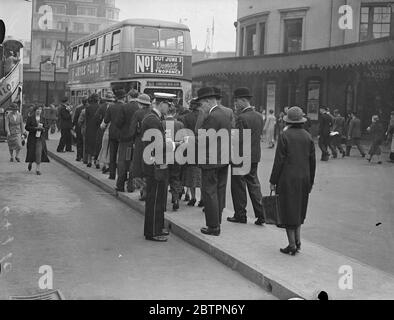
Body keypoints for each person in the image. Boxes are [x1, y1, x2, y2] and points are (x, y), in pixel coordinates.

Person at [269, 106, 316, 255]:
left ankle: (291, 245)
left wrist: (273, 180)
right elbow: (312, 162)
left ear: (287, 121)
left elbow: (279, 161)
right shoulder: (308, 137)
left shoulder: (285, 136)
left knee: (288, 210)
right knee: (299, 210)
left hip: (287, 179)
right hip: (304, 178)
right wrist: (310, 182)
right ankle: (298, 241)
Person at [195, 87, 233, 236]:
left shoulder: (212, 117)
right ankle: (217, 221)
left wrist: (188, 140)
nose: (201, 108)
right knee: (219, 191)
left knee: (209, 192)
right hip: (223, 159)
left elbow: (205, 139)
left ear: (209, 101)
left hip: (211, 161)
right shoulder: (224, 114)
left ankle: (213, 226)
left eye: (202, 104)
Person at [227, 88, 265, 226]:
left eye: (236, 101)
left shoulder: (242, 118)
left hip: (241, 156)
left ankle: (240, 215)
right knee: (254, 184)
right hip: (254, 156)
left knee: (238, 187)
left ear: (243, 100)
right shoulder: (259, 116)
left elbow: (238, 139)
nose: (235, 104)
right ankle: (262, 214)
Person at [141, 95, 174, 242]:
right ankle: (153, 232)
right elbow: (158, 145)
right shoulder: (153, 120)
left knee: (159, 198)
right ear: (161, 104)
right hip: (155, 165)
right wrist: (175, 145)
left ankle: (158, 227)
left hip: (156, 164)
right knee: (155, 199)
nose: (169, 108)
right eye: (168, 104)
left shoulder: (154, 118)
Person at [114, 89, 139, 192]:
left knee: (123, 162)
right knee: (133, 162)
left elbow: (118, 122)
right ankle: (131, 186)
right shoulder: (139, 108)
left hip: (125, 140)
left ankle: (120, 185)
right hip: (136, 140)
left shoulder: (124, 107)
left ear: (129, 96)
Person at [179, 98, 203, 207]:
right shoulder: (205, 116)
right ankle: (202, 199)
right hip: (203, 149)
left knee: (191, 174)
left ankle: (193, 197)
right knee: (202, 174)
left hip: (190, 149)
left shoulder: (186, 118)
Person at [129, 93, 152, 200]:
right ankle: (147, 189)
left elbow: (132, 130)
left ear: (140, 103)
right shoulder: (152, 113)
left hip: (139, 142)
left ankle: (142, 190)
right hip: (151, 143)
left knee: (138, 167)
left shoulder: (137, 113)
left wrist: (132, 139)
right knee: (148, 166)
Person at [164, 102, 185, 211]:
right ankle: (176, 199)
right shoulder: (180, 124)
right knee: (175, 177)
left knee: (164, 178)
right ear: (175, 113)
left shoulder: (161, 123)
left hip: (164, 155)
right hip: (177, 154)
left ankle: (162, 202)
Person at [103, 87, 125, 179]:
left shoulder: (111, 107)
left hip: (112, 133)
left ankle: (112, 175)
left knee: (112, 154)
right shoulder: (125, 107)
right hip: (123, 134)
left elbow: (106, 120)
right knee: (121, 156)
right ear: (123, 98)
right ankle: (120, 175)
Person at [25, 105, 50, 175]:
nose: (39, 111)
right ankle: (30, 162)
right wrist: (35, 128)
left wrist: (43, 129)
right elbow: (27, 127)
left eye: (40, 110)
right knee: (32, 152)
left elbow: (47, 126)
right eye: (37, 109)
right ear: (35, 110)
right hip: (32, 138)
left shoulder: (43, 118)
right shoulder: (30, 118)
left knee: (38, 153)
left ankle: (38, 169)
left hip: (40, 138)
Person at [96, 93, 115, 173]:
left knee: (104, 147)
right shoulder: (117, 107)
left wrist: (101, 126)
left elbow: (102, 122)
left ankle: (103, 164)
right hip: (115, 132)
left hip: (107, 131)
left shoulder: (104, 107)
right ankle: (108, 164)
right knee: (111, 149)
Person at [84, 93, 100, 168]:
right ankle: (96, 161)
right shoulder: (99, 107)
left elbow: (86, 119)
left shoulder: (88, 108)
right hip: (97, 128)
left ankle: (89, 161)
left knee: (89, 144)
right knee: (97, 145)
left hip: (90, 128)